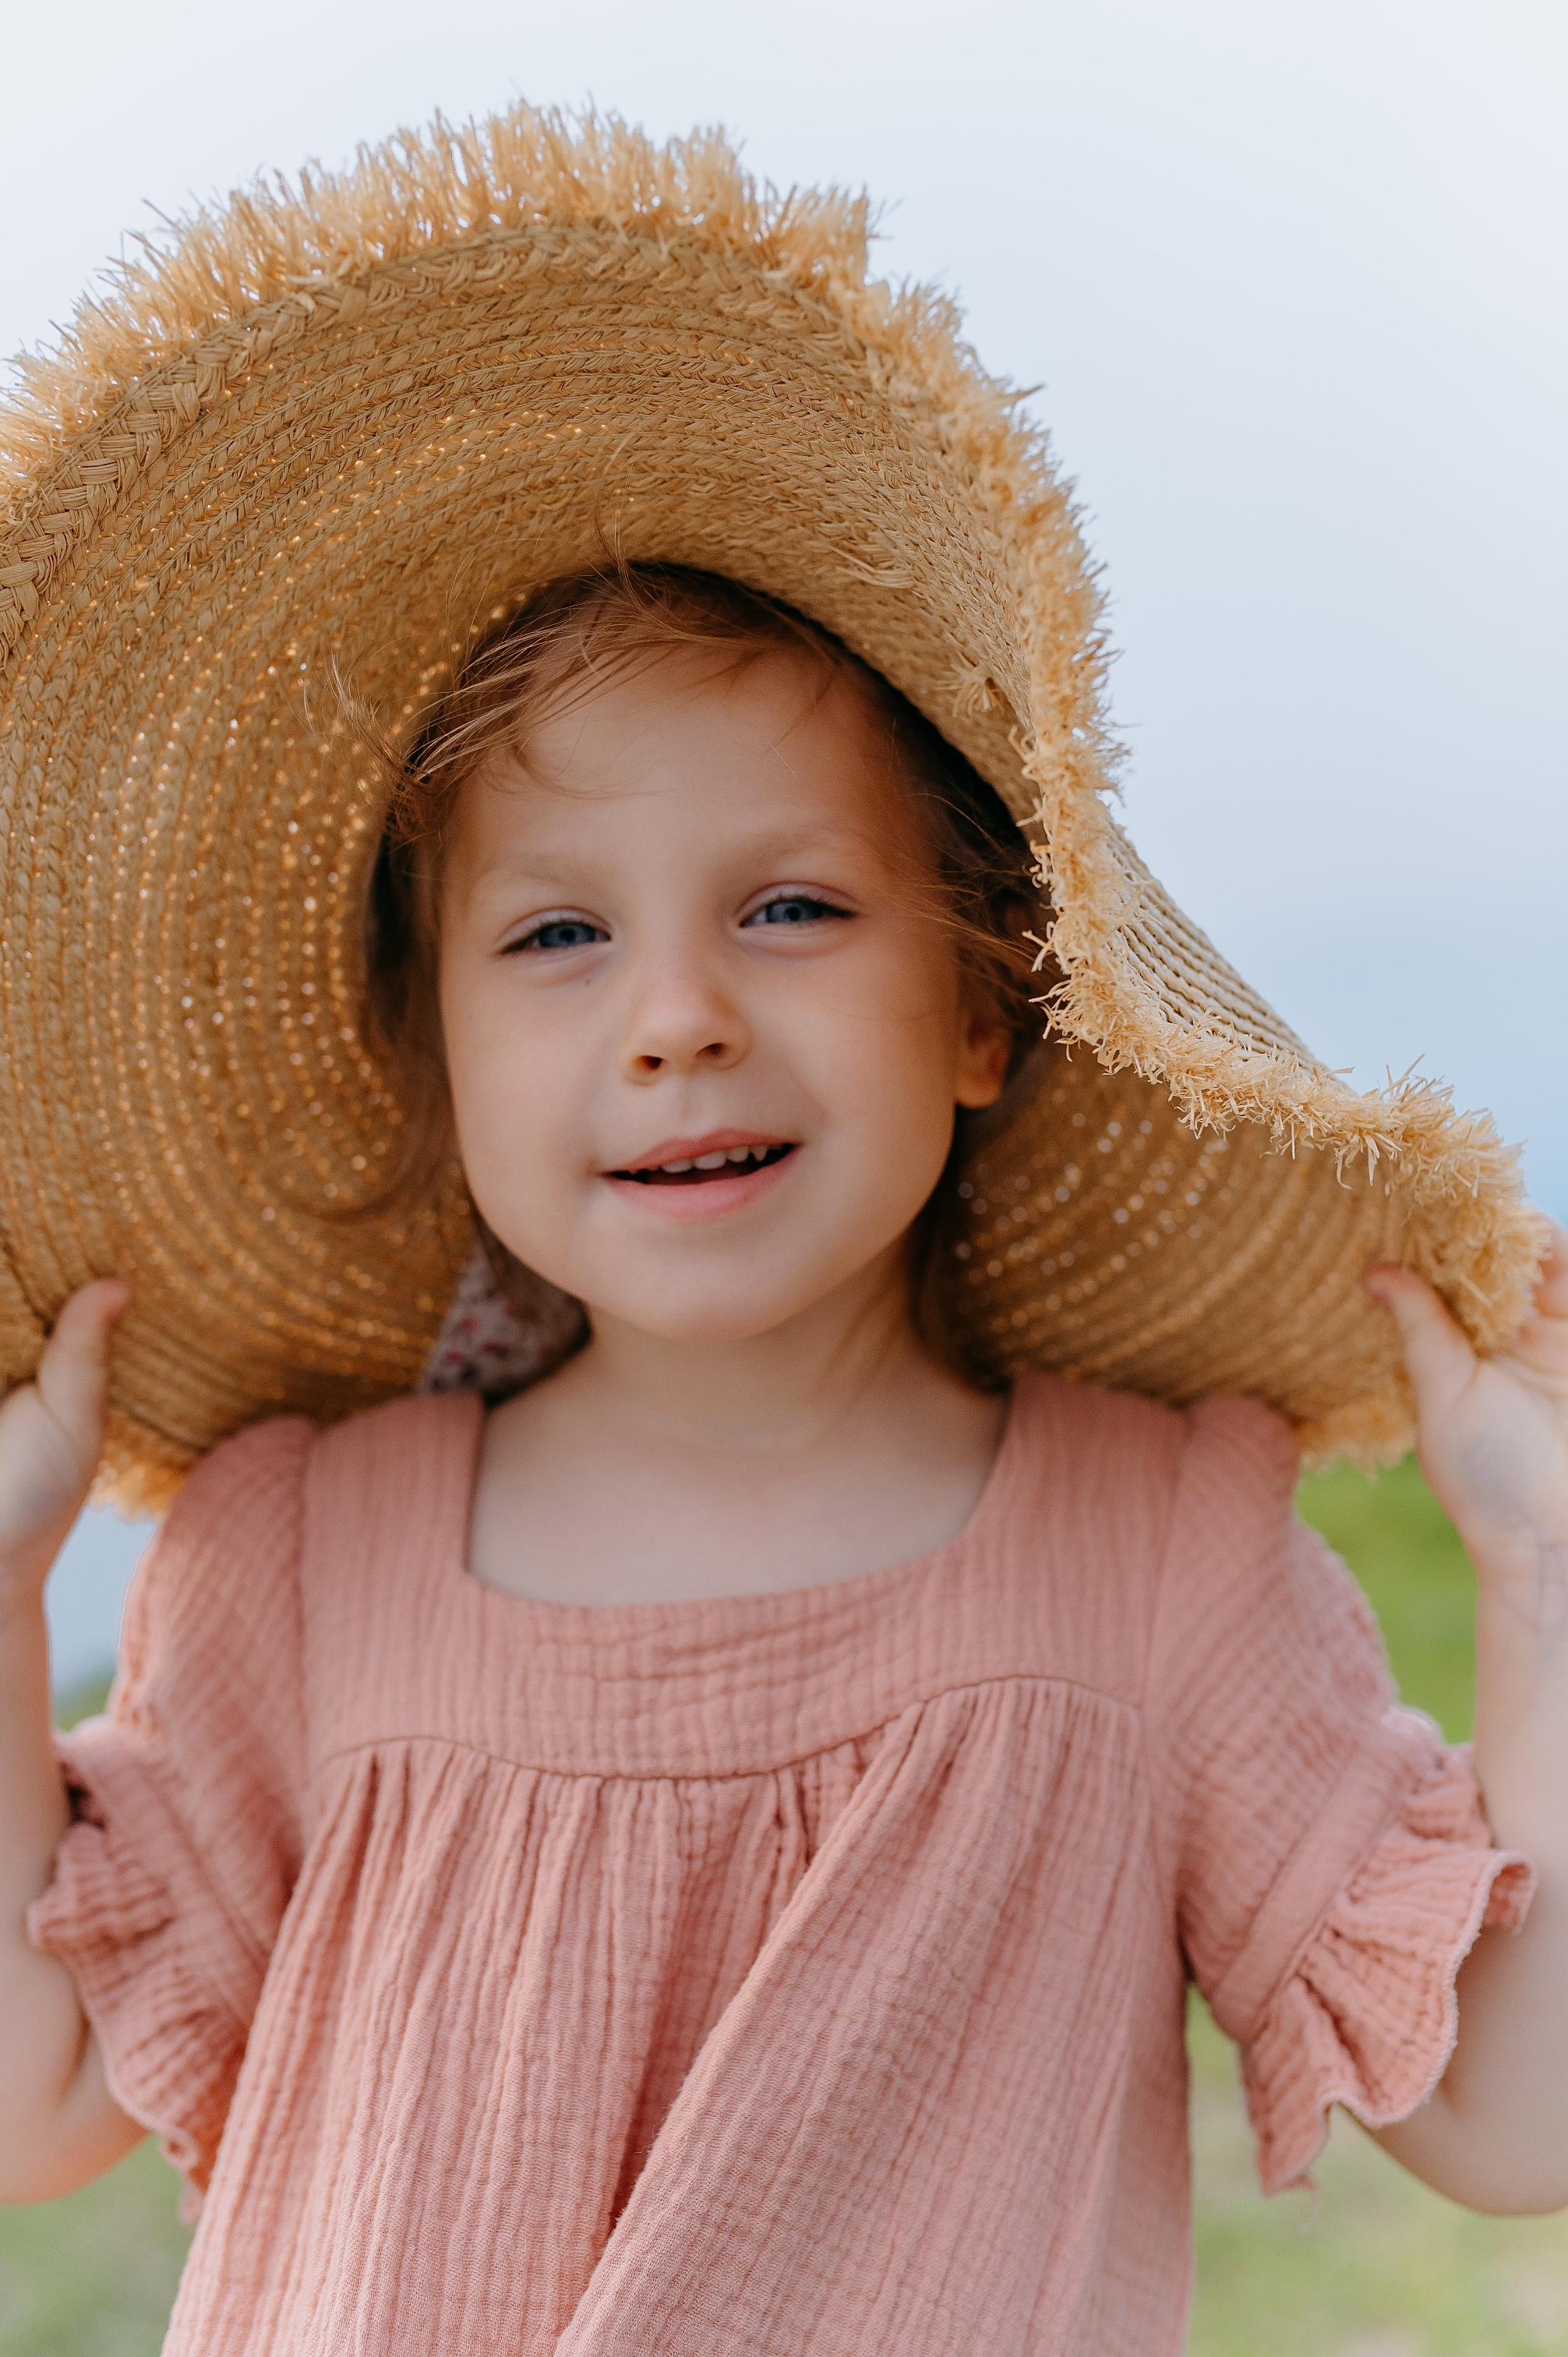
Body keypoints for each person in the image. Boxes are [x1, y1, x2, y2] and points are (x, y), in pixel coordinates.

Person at [0, 101, 1563, 2357]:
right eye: (553, 942)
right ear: (433, 1071)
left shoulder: (1152, 1550)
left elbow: (1509, 2127)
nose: (673, 1020)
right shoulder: (304, 1555)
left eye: (793, 907)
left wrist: (1530, 1576)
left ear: (981, 1010)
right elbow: (39, 2108)